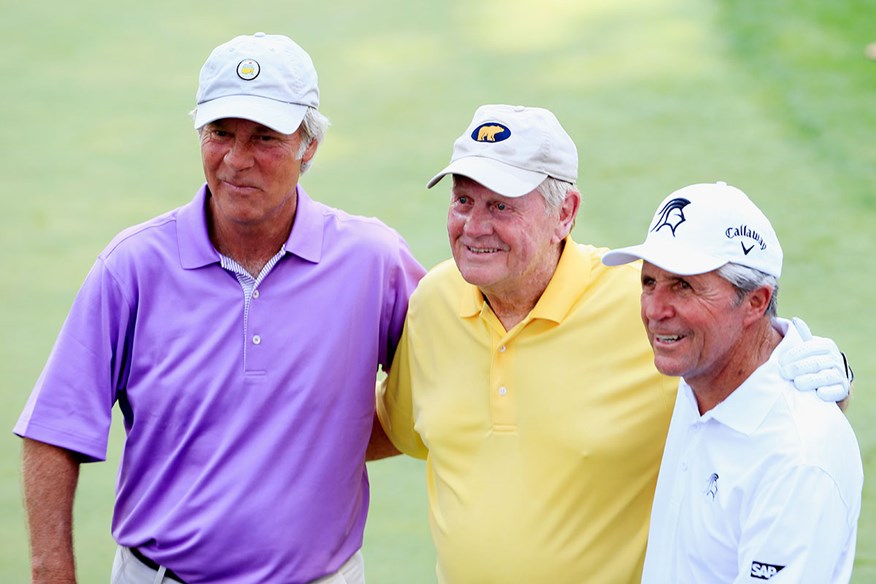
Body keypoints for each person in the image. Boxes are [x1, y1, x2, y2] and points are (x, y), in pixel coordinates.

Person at [376, 104, 853, 583]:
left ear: (565, 213)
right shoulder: (434, 301)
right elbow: (397, 427)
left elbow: (741, 350)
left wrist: (821, 374)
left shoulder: (642, 303)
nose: (475, 226)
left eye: (501, 205)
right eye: (463, 201)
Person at [15, 32, 424, 584]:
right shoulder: (131, 266)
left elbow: (444, 383)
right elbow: (55, 430)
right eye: (220, 133)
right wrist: (51, 574)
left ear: (310, 145)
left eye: (265, 138)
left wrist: (331, 439)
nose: (237, 159)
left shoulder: (373, 260)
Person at [602, 181, 863, 583]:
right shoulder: (697, 372)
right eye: (648, 282)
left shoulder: (799, 456)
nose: (654, 310)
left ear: (756, 301)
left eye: (683, 286)